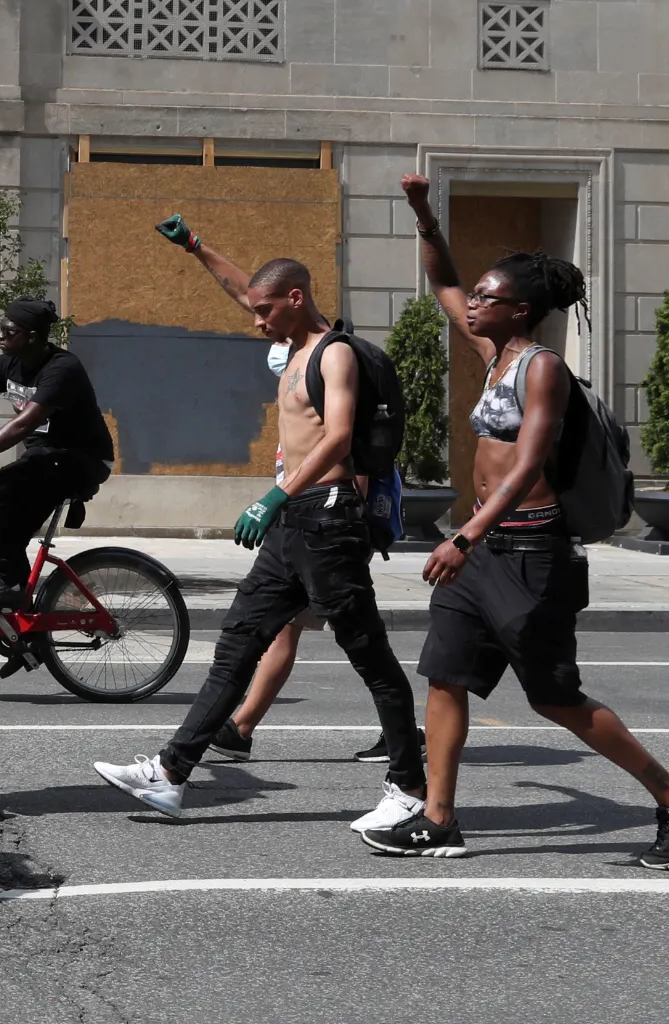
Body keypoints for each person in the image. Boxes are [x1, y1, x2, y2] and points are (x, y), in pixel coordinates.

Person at [368, 176, 669, 866]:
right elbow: (441, 280)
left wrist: (463, 536)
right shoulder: (490, 353)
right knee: (446, 676)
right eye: (475, 295)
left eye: (487, 297)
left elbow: (529, 463)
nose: (471, 303)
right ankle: (439, 819)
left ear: (520, 308)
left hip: (531, 553)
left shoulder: (542, 369)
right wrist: (422, 214)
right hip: (482, 551)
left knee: (555, 697)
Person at [94, 218, 425, 834]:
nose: (256, 320)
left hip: (327, 522)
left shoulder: (335, 353)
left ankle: (408, 788)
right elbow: (246, 289)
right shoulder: (291, 345)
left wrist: (272, 496)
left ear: (297, 300)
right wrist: (198, 249)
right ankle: (171, 775)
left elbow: (340, 436)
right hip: (294, 526)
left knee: (370, 657)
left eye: (267, 310)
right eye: (257, 310)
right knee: (237, 646)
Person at [0, 297, 112, 612]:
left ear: (32, 336)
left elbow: (22, 425)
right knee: (5, 532)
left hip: (82, 459)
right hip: (43, 459)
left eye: (8, 332)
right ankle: (23, 616)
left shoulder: (62, 367)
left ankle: (11, 587)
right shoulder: (6, 364)